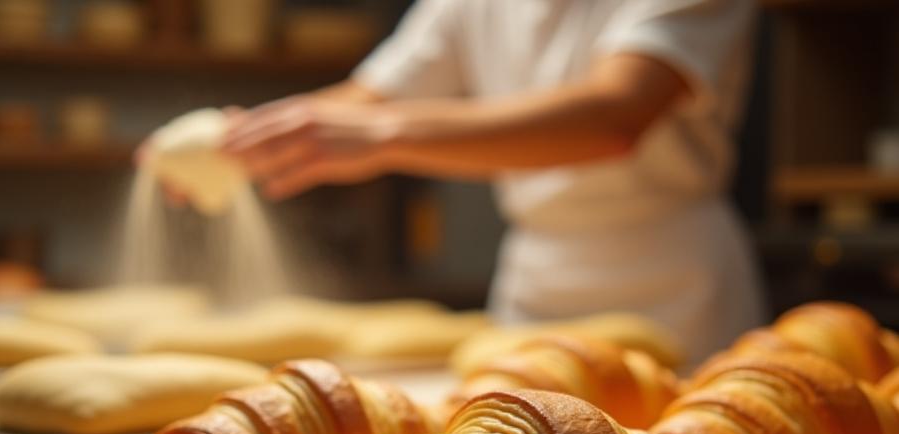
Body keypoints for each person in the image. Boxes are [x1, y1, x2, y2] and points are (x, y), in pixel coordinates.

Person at [171, 0, 765, 364]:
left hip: (676, 287)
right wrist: (233, 146)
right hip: (536, 282)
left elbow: (615, 117)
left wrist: (384, 135)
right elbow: (367, 99)